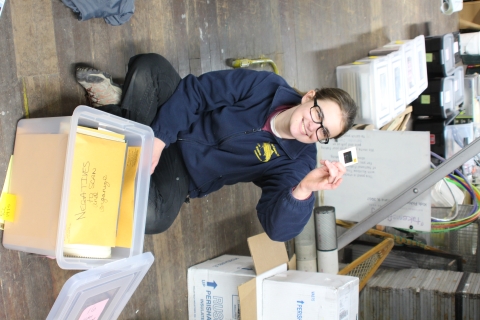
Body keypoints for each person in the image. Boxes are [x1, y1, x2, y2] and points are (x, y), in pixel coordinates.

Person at [75, 53, 358, 242]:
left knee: (153, 218)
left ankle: (118, 109)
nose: (313, 127)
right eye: (318, 115)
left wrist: (304, 189)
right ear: (310, 97)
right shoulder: (267, 86)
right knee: (151, 68)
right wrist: (160, 138)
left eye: (324, 132)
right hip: (176, 121)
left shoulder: (298, 163)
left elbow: (278, 230)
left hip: (183, 175)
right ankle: (124, 122)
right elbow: (199, 91)